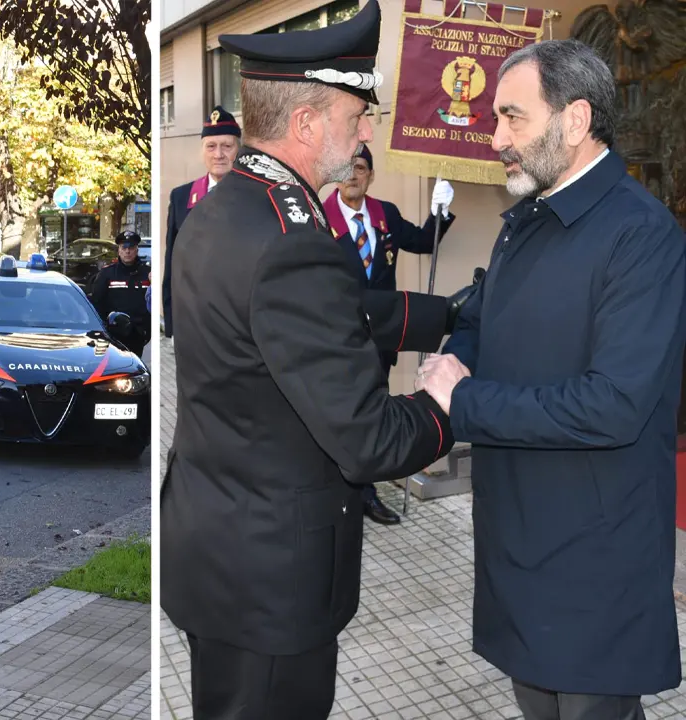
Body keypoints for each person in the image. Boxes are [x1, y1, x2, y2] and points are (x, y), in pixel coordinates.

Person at [160, 2, 462, 716]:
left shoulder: (228, 207)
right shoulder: (292, 238)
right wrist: (442, 403)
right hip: (271, 584)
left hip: (219, 550)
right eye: (356, 115)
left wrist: (448, 314)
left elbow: (320, 317)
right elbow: (368, 439)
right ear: (304, 124)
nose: (365, 133)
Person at [417, 39, 686, 720]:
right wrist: (458, 358)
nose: (495, 136)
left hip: (594, 561)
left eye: (513, 118)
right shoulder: (527, 221)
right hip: (520, 543)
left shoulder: (642, 235)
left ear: (575, 120)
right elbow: (482, 317)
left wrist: (466, 399)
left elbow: (614, 405)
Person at [322, 145, 457, 525]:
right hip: (338, 337)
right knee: (341, 414)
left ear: (370, 175)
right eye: (347, 167)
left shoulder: (385, 214)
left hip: (380, 337)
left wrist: (439, 213)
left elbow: (420, 242)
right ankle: (343, 490)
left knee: (374, 412)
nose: (353, 174)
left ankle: (366, 491)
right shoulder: (319, 217)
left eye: (361, 167)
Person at [162, 106, 241, 342]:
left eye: (227, 146)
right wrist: (172, 323)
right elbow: (173, 264)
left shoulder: (258, 196)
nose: (219, 154)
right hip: (194, 324)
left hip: (239, 326)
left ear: (239, 150)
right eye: (211, 146)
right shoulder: (181, 197)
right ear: (202, 151)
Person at [91, 230, 152, 359]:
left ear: (136, 250)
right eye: (124, 247)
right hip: (114, 334)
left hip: (138, 334)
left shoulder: (148, 273)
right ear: (119, 250)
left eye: (131, 247)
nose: (127, 251)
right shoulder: (107, 274)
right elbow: (97, 303)